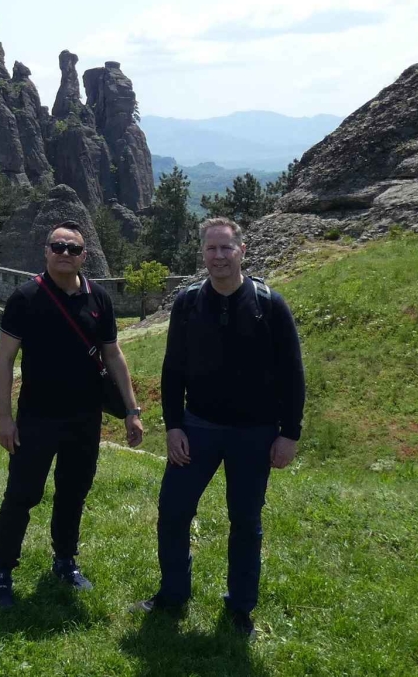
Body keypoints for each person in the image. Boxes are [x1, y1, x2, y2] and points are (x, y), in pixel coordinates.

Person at [135, 217, 307, 636]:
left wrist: (290, 433)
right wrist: (173, 426)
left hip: (255, 432)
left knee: (246, 521)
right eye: (211, 249)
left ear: (242, 251)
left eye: (226, 248)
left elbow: (293, 373)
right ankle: (173, 594)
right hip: (198, 427)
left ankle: (240, 608)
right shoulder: (188, 303)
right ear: (203, 254)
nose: (218, 257)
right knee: (173, 511)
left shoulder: (270, 304)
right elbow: (172, 370)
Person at [0, 220, 144, 608]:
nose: (64, 253)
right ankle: (3, 573)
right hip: (36, 418)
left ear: (84, 256)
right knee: (21, 496)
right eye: (58, 246)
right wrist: (4, 418)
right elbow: (4, 360)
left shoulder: (99, 299)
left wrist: (131, 409)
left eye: (73, 248)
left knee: (73, 493)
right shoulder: (25, 297)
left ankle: (65, 561)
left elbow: (113, 354)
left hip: (84, 418)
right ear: (46, 251)